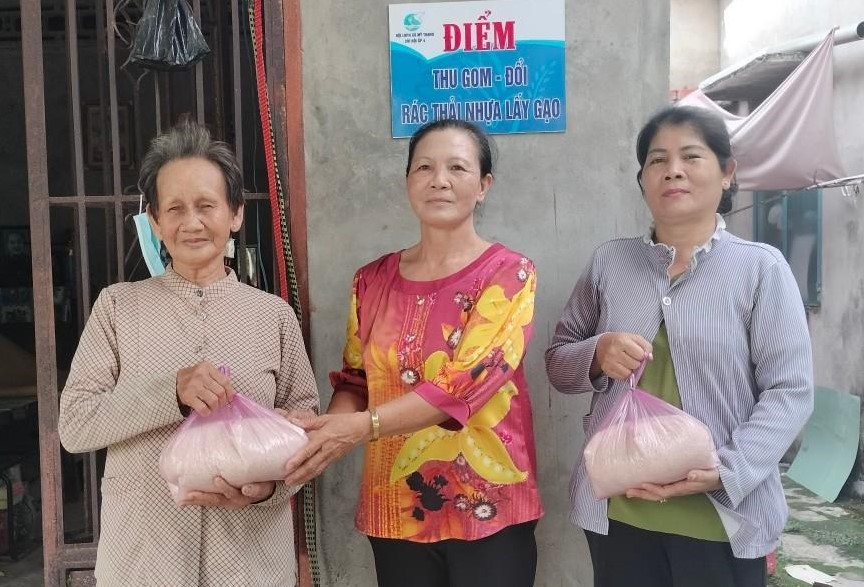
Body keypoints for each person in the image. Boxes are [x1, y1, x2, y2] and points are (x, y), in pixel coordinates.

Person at [545, 105, 813, 587]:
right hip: (619, 510)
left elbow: (789, 391)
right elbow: (558, 364)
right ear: (643, 179)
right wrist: (597, 354)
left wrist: (728, 470)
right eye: (657, 160)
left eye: (691, 156)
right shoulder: (611, 262)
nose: (673, 170)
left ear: (727, 173)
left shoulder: (760, 269)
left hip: (719, 513)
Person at [58, 120, 319, 587]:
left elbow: (308, 429)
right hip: (144, 563)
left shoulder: (273, 316)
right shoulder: (118, 308)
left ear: (235, 214)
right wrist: (170, 393)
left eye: (206, 205)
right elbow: (75, 424)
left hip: (250, 562)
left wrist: (269, 489)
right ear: (155, 222)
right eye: (175, 208)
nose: (192, 223)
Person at [283, 119, 543, 586]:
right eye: (424, 167)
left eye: (457, 168)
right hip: (396, 504)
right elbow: (357, 380)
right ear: (407, 181)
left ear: (483, 186)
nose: (439, 180)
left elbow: (461, 385)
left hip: (489, 505)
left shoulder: (510, 275)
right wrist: (324, 433)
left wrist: (357, 429)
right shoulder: (371, 281)